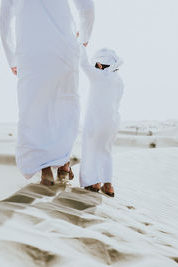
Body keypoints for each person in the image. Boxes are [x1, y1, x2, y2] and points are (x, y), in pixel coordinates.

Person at [0, 0, 95, 186]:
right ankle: (64, 164)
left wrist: (12, 58)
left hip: (30, 53)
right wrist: (83, 38)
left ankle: (45, 170)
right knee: (65, 105)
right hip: (64, 49)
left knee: (34, 110)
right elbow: (87, 8)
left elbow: (5, 22)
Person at [79, 45, 124, 197]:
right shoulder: (118, 80)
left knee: (91, 150)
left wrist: (81, 45)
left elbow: (83, 63)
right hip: (112, 123)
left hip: (96, 121)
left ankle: (94, 182)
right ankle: (108, 185)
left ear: (98, 64)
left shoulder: (98, 76)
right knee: (106, 152)